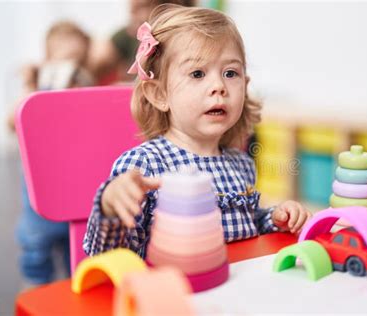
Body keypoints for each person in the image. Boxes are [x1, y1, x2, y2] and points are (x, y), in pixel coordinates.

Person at [83, 4, 312, 258]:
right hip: (175, 293)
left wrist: (274, 218)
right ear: (160, 94)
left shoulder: (241, 162)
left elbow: (248, 224)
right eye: (197, 73)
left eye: (230, 73)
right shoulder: (143, 165)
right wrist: (110, 209)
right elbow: (108, 256)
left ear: (245, 86)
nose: (218, 86)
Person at [9, 21, 93, 286]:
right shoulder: (35, 89)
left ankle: (73, 289)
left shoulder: (85, 87)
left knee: (77, 252)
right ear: (47, 58)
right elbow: (12, 123)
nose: (70, 67)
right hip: (39, 195)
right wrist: (31, 88)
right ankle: (35, 288)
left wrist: (80, 87)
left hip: (75, 195)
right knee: (36, 247)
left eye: (78, 60)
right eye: (64, 59)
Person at [88, 0, 195, 84]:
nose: (133, 14)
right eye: (132, 8)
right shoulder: (128, 35)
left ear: (170, 6)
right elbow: (97, 61)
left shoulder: (190, 37)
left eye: (142, 6)